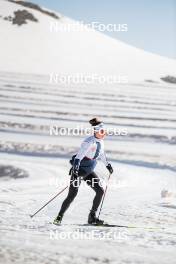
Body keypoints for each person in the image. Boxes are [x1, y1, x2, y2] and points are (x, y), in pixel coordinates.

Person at [53, 118, 113, 225]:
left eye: (105, 131)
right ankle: (59, 217)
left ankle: (92, 217)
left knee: (100, 191)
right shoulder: (88, 142)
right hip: (79, 171)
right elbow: (79, 156)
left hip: (89, 171)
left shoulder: (101, 142)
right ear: (96, 131)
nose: (105, 133)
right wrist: (75, 168)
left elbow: (102, 154)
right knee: (72, 194)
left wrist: (107, 165)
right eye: (102, 131)